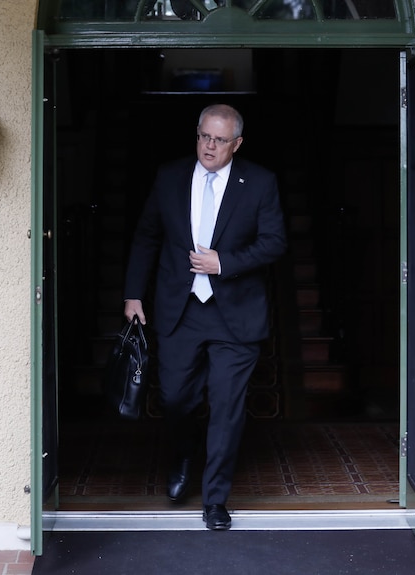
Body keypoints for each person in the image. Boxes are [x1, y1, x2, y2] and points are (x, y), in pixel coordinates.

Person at [123, 104, 287, 530]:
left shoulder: (261, 182)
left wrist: (225, 262)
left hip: (236, 315)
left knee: (227, 407)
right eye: (203, 136)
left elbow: (274, 243)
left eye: (219, 140)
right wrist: (133, 295)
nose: (209, 146)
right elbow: (146, 236)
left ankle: (215, 499)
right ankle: (181, 457)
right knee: (176, 398)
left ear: (237, 143)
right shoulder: (170, 176)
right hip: (181, 310)